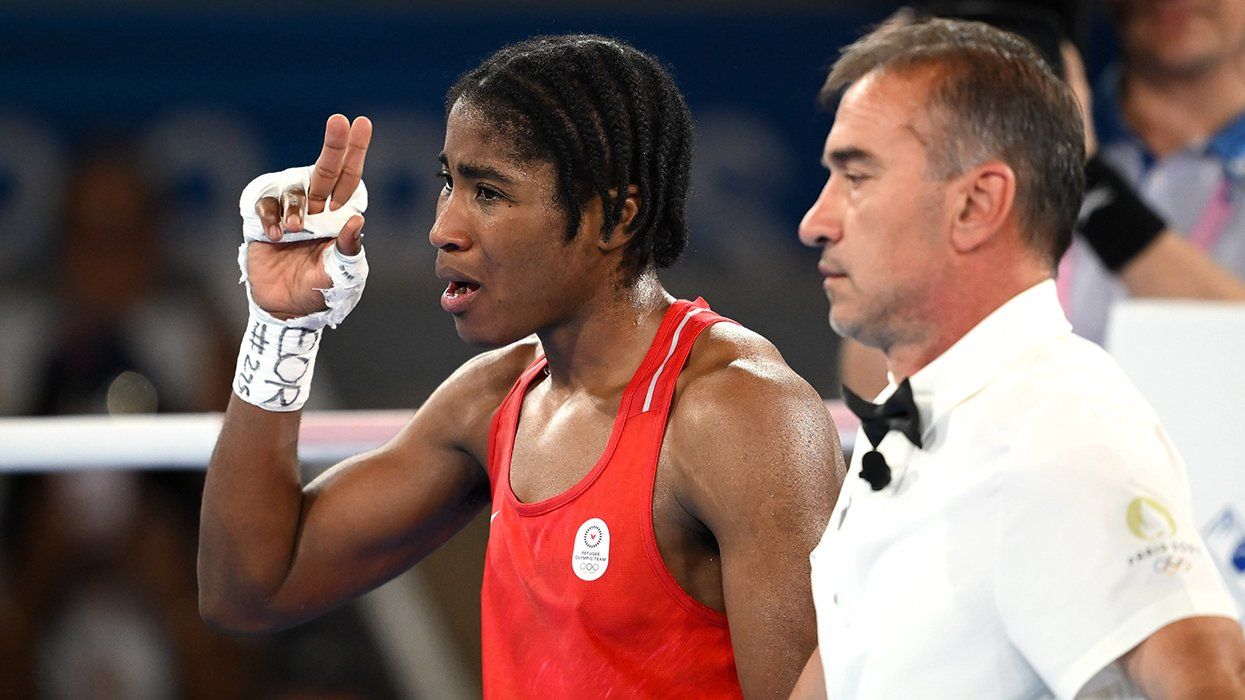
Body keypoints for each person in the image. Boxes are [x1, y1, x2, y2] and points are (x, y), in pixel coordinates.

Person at [197, 34, 843, 698]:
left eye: (489, 193)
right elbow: (249, 589)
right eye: (450, 182)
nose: (443, 227)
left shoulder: (738, 415)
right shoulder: (494, 400)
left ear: (615, 215)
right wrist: (282, 329)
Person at [791, 15, 1245, 699]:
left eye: (856, 177)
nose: (814, 221)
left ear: (977, 203)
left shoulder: (1058, 432)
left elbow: (1207, 682)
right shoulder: (922, 419)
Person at [840, 0, 1245, 397]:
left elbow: (1233, 348)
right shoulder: (999, 149)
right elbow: (877, 391)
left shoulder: (1055, 141)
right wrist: (895, 139)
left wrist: (1082, 173)